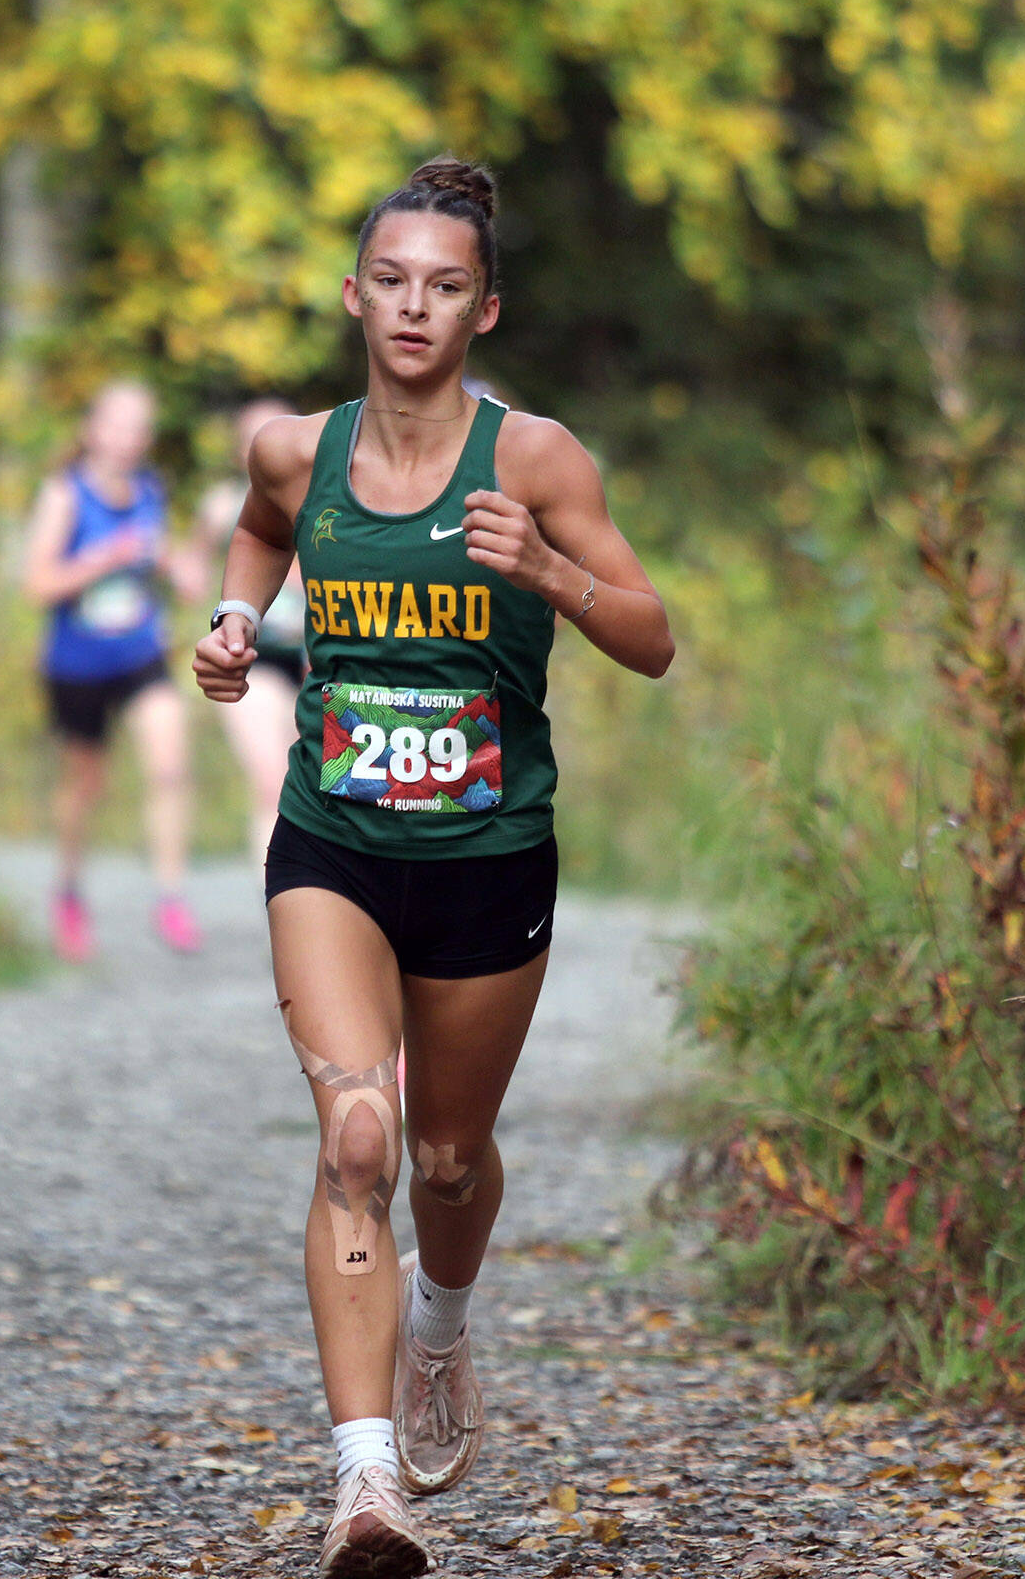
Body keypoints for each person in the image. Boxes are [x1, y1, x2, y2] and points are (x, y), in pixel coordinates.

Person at [192, 158, 673, 1578]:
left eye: (444, 286)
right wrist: (233, 620)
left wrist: (545, 572)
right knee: (359, 1136)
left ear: (485, 310)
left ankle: (443, 1334)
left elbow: (651, 636)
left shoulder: (535, 462)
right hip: (333, 842)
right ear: (355, 296)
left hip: (487, 859)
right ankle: (367, 1491)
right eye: (391, 280)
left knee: (449, 1161)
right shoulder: (297, 447)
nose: (413, 306)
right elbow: (263, 530)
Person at [25, 378, 202, 961]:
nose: (129, 439)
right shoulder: (65, 494)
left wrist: (177, 570)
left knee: (171, 766)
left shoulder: (151, 490)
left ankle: (171, 899)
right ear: (92, 430)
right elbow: (38, 585)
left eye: (139, 428)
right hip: (76, 665)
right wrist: (104, 559)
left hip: (140, 654)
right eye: (118, 425)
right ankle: (69, 894)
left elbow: (165, 561)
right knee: (86, 785)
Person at [195, 397, 310, 854]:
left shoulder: (324, 500)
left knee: (313, 783)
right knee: (270, 778)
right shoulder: (222, 504)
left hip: (314, 658)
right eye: (257, 438)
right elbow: (193, 563)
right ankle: (274, 901)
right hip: (254, 657)